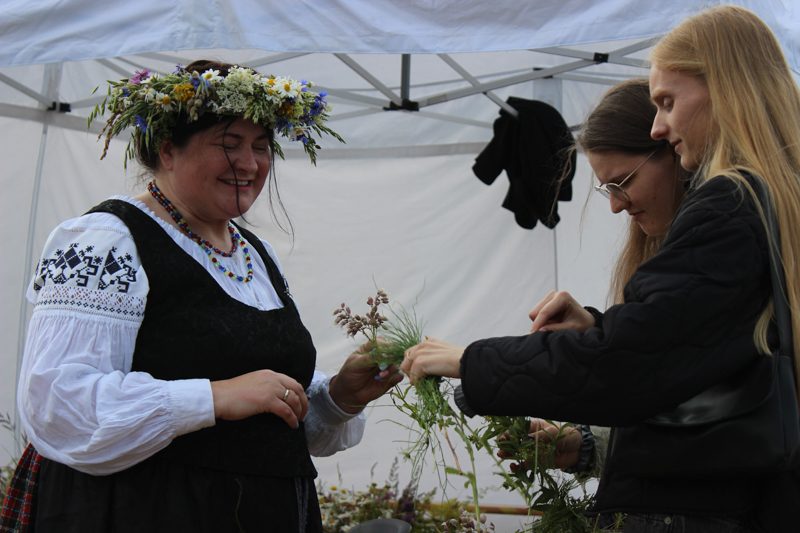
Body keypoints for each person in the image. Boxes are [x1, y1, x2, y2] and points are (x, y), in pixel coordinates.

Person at [402, 5, 800, 532]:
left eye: (668, 102)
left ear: (723, 87)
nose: (662, 126)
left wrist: (470, 361)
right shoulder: (771, 202)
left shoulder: (728, 204)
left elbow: (629, 367)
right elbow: (702, 366)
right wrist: (601, 336)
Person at [15, 60, 402, 533]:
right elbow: (57, 403)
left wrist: (339, 396)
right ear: (167, 150)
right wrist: (212, 397)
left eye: (261, 147)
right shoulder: (104, 242)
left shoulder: (254, 255)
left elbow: (265, 416)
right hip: (146, 510)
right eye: (228, 144)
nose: (250, 163)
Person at [501, 77, 688, 480]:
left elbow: (709, 432)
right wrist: (585, 446)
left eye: (622, 182)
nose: (616, 206)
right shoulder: (656, 255)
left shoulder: (725, 260)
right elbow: (663, 407)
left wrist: (473, 365)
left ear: (674, 149)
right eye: (607, 189)